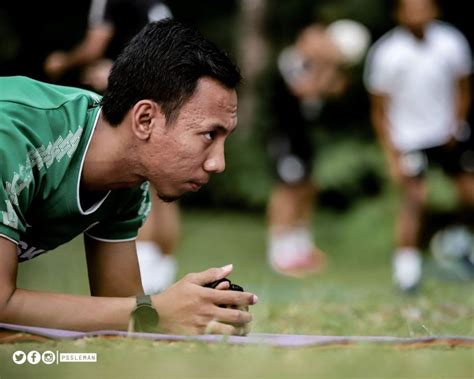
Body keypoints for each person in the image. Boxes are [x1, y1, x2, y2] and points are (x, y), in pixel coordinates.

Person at [0, 19, 257, 335]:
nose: (218, 163)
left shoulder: (127, 181)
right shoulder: (11, 135)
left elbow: (121, 316)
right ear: (145, 119)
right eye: (208, 135)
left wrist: (194, 312)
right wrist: (156, 310)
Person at [43, 0, 179, 294]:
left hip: (134, 96)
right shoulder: (155, 3)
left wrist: (63, 61)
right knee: (162, 185)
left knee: (136, 179)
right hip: (167, 94)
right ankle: (162, 263)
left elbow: (95, 45)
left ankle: (145, 267)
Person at [364, 0, 473, 292]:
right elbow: (379, 110)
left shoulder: (451, 41)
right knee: (414, 200)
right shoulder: (387, 53)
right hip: (409, 138)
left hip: (448, 134)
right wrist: (391, 154)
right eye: (410, 9)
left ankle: (457, 241)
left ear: (434, 10)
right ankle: (407, 273)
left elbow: (463, 87)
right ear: (398, 13)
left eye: (422, 7)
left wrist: (457, 123)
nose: (416, 14)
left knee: (469, 194)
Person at [265, 19, 371, 277]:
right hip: (285, 135)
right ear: (304, 39)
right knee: (287, 189)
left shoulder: (320, 65)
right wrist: (328, 63)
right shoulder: (290, 60)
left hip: (304, 136)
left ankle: (300, 247)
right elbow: (304, 89)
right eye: (315, 38)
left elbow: (336, 89)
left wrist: (332, 65)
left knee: (307, 188)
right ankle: (279, 250)